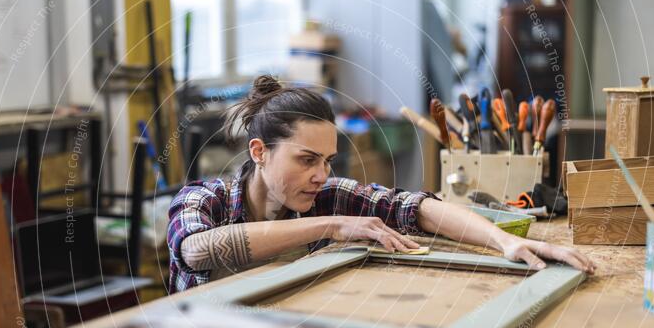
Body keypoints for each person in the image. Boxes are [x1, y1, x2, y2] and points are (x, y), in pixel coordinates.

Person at [166, 75, 594, 294]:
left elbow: (414, 207)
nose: (321, 175)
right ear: (259, 152)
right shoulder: (204, 199)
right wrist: (330, 226)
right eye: (306, 159)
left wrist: (503, 242)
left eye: (328, 161)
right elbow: (196, 250)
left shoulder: (325, 196)